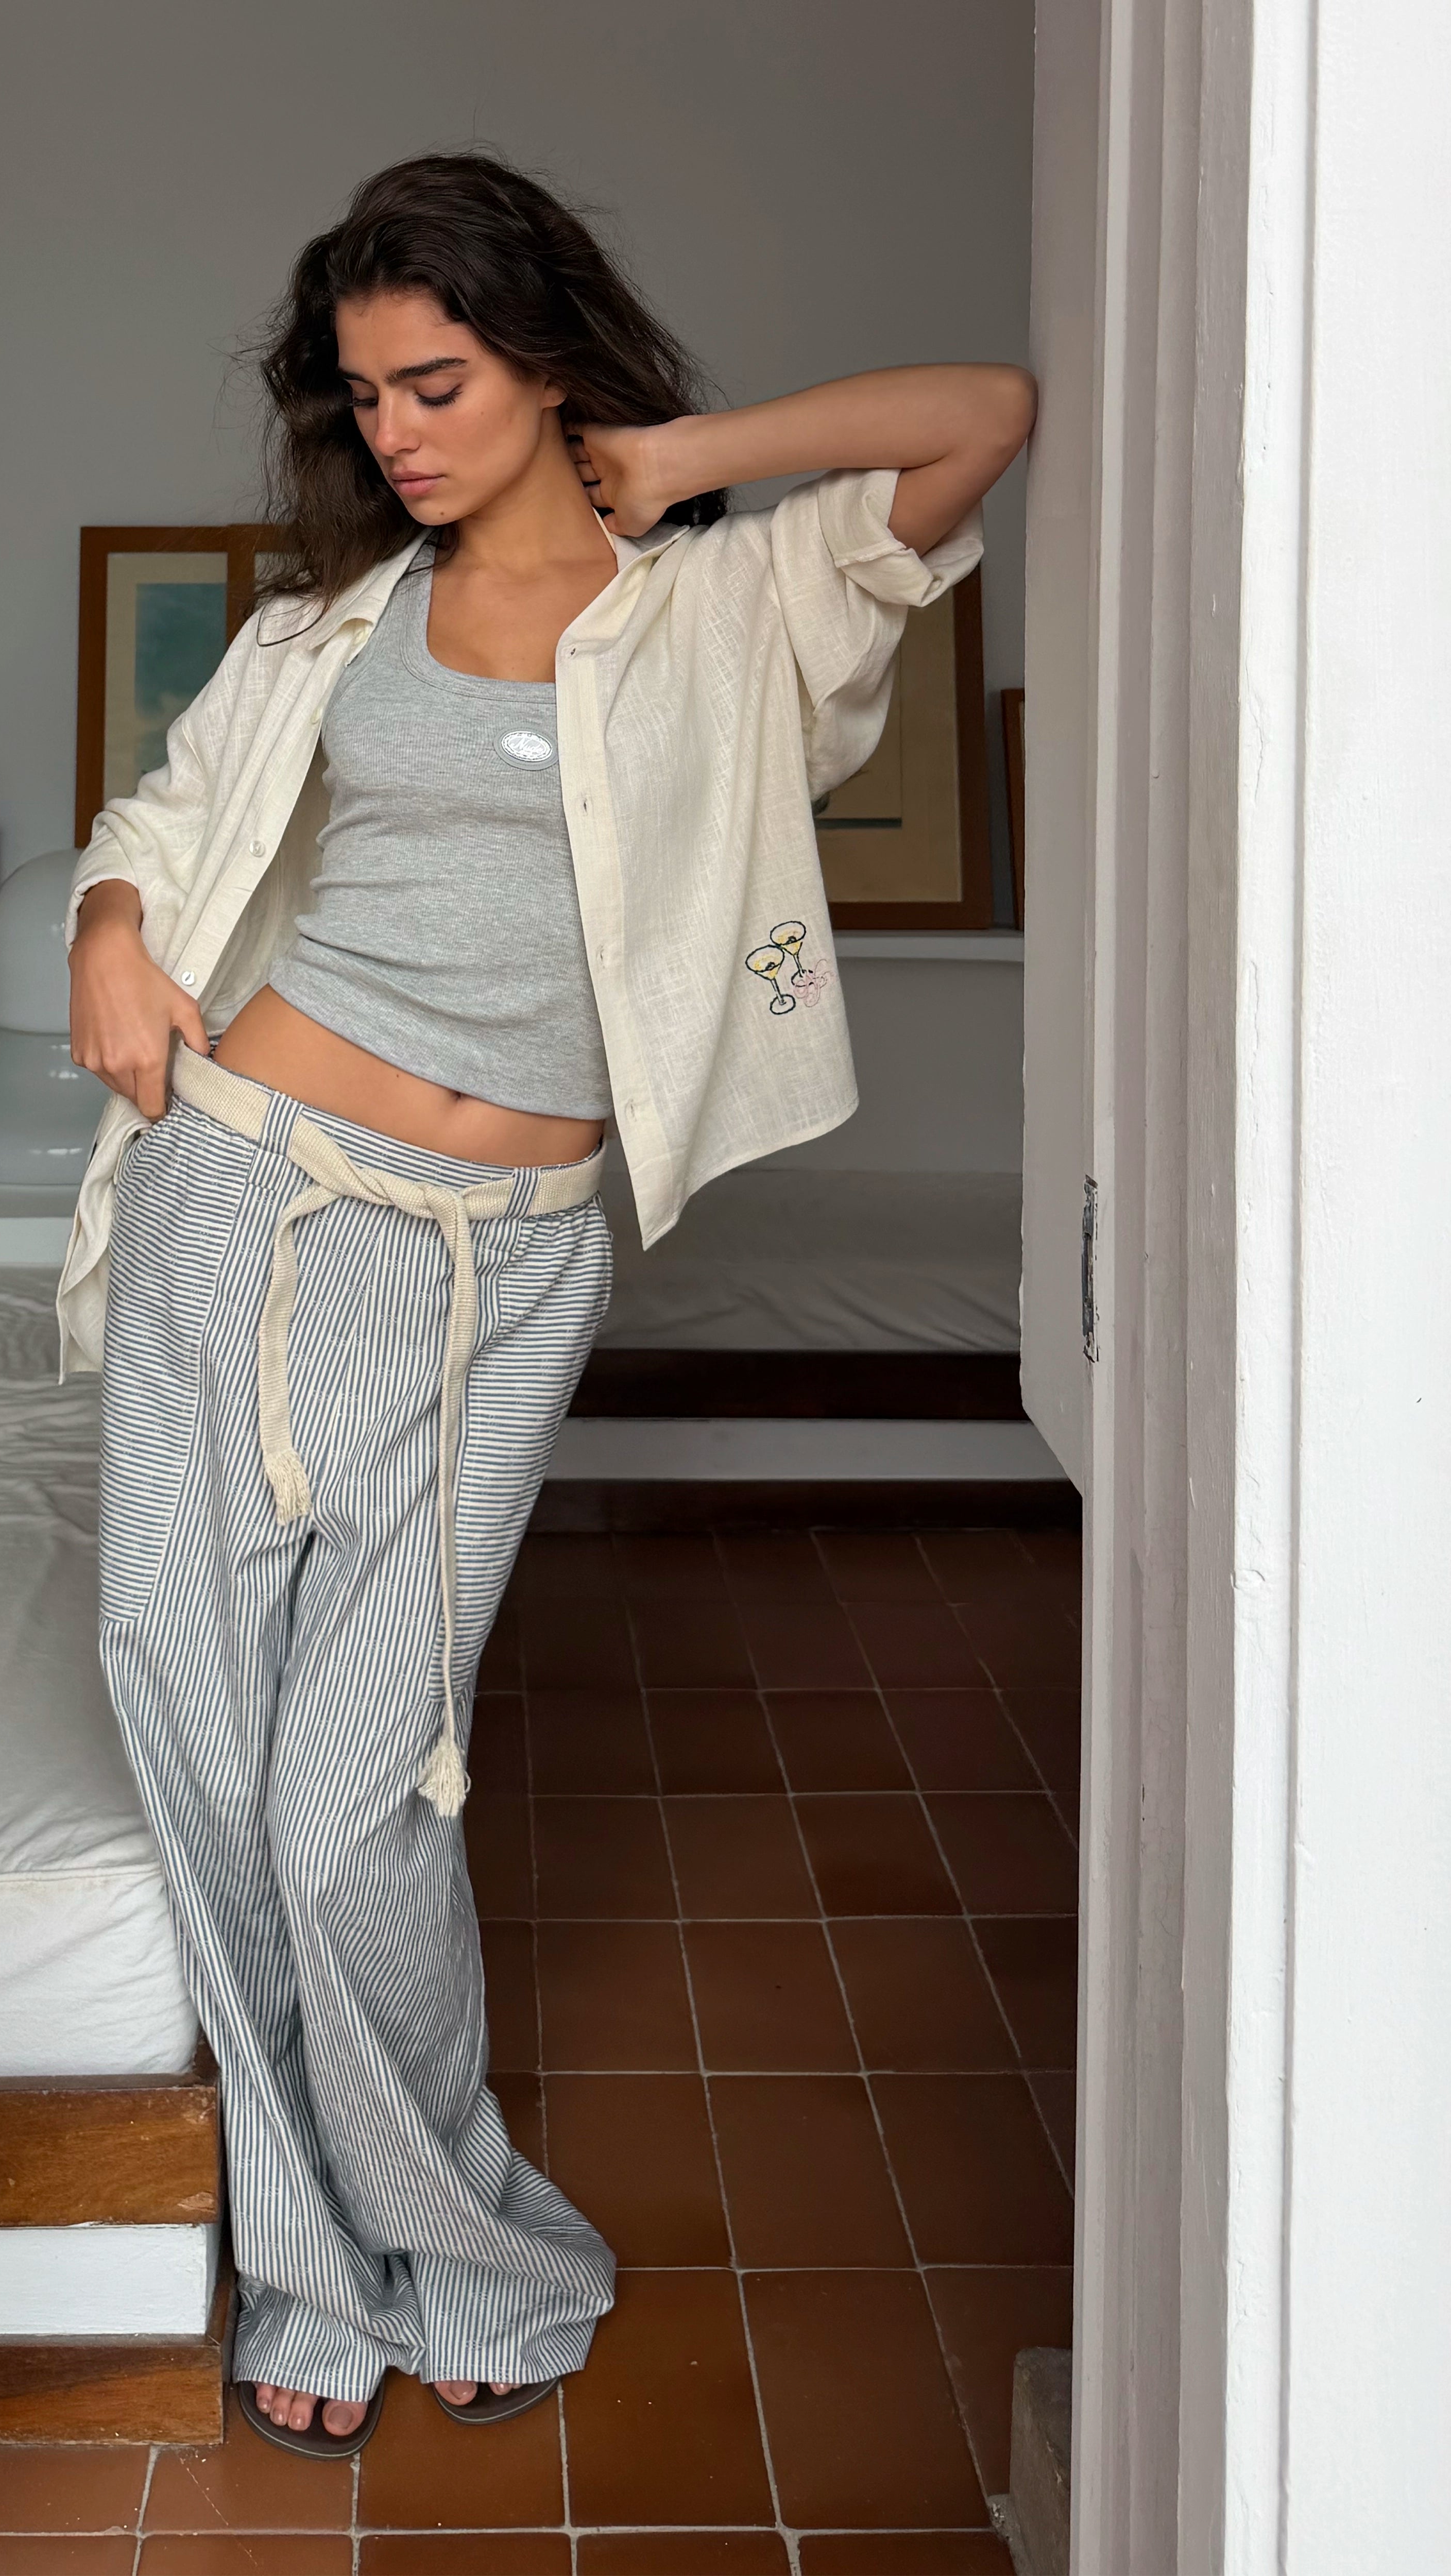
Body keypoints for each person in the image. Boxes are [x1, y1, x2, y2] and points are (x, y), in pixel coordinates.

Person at [59, 151, 1033, 2456]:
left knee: (351, 1800)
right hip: (247, 1186)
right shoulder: (328, 627)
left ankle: (470, 2247)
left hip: (500, 1261)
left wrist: (674, 459)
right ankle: (312, 2267)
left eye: (440, 382)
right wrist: (107, 926)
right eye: (363, 394)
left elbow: (980, 411)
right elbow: (168, 821)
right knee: (200, 1739)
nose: (393, 431)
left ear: (544, 358)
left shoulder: (731, 607)